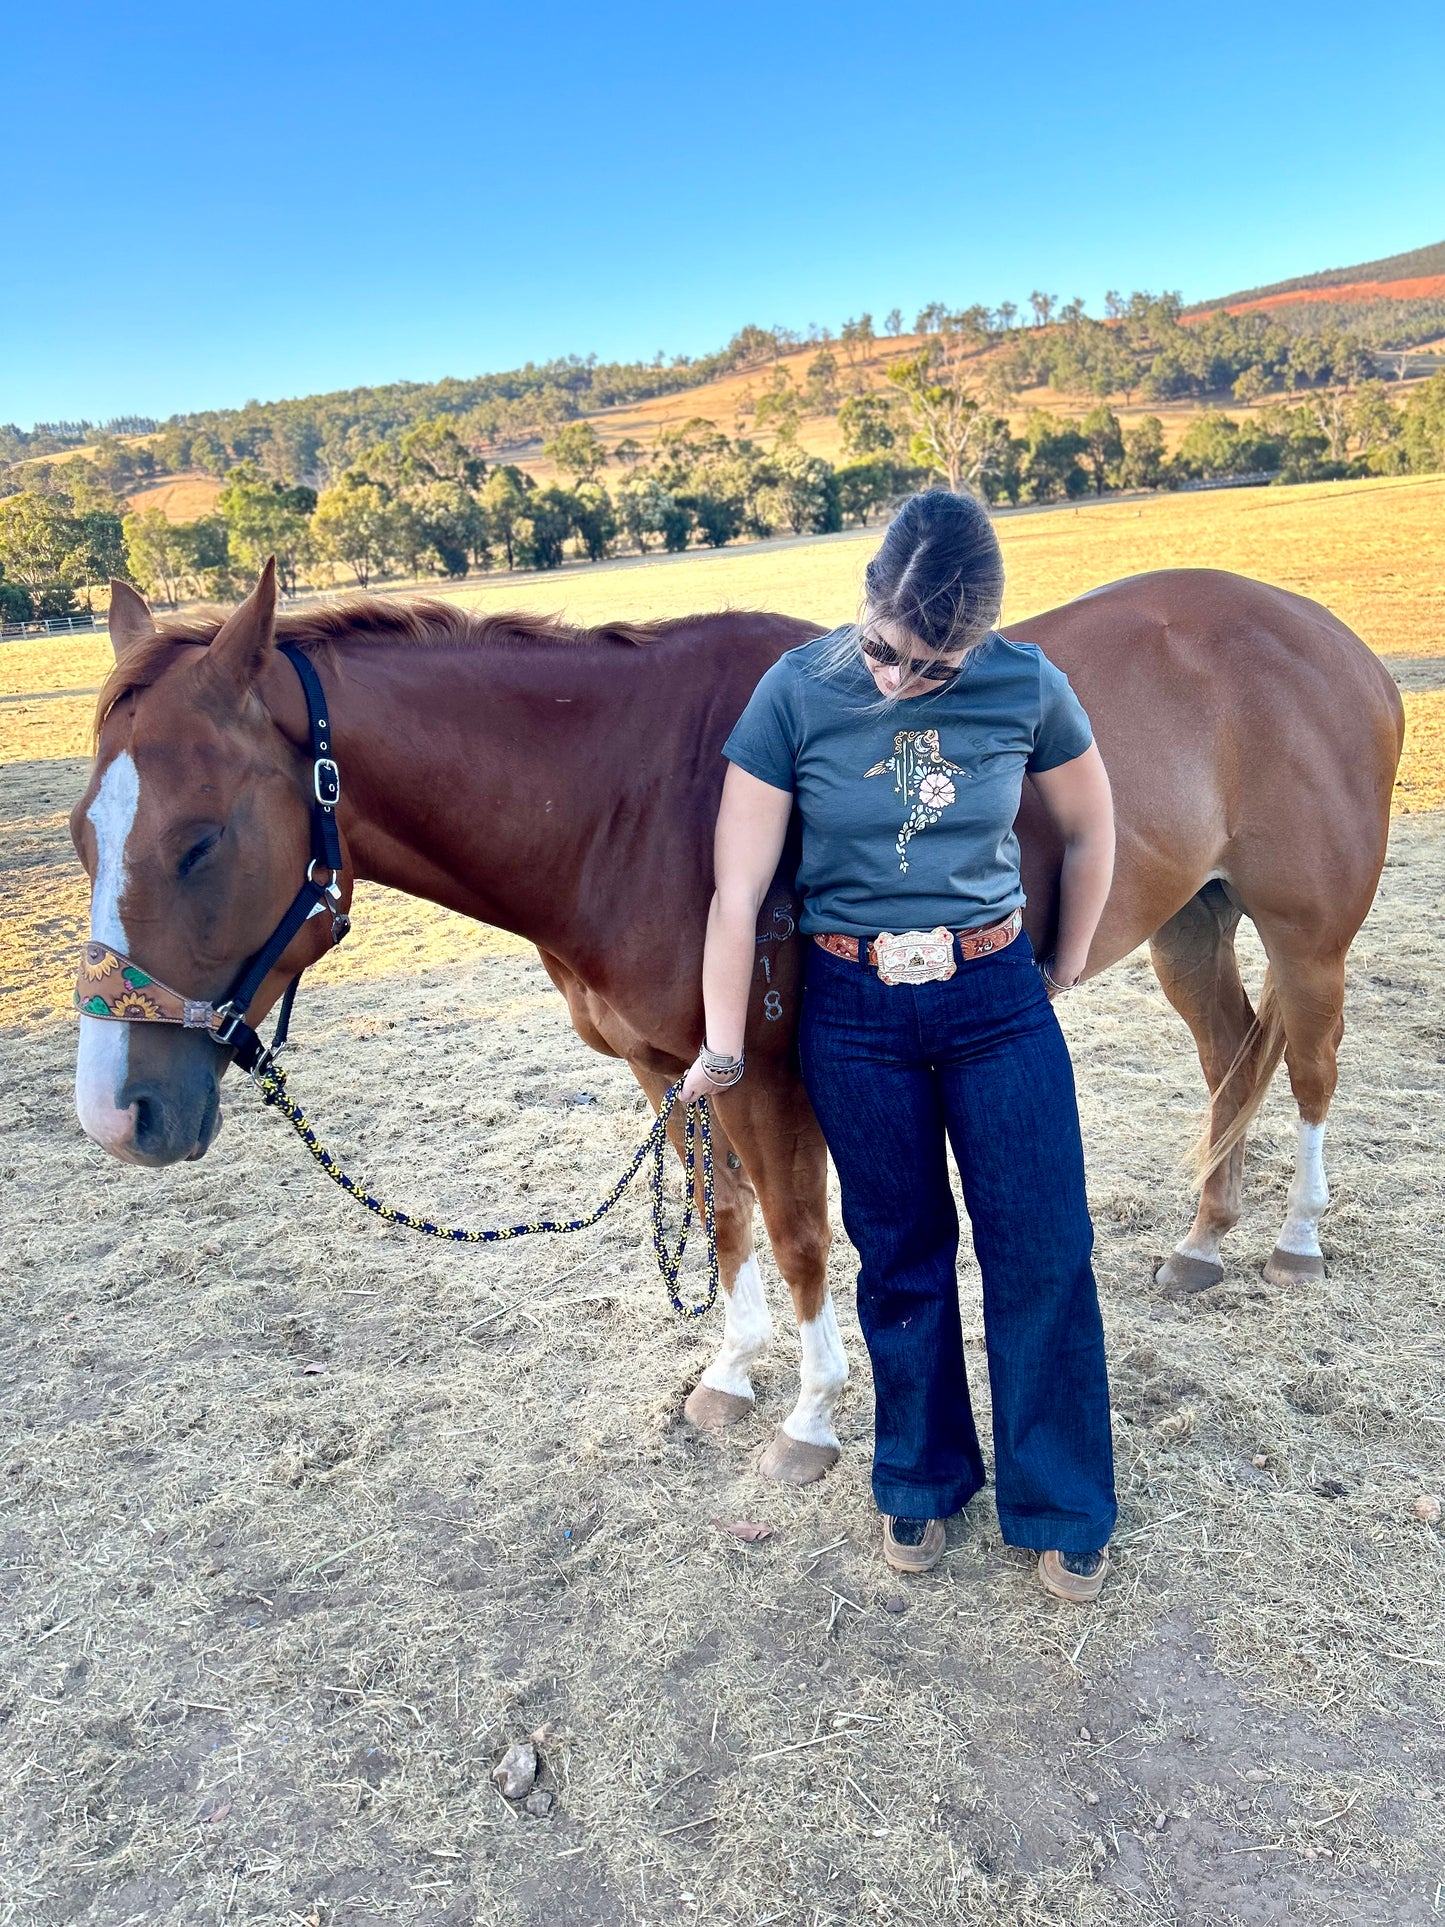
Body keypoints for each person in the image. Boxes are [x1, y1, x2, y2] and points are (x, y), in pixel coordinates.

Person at [679, 489, 1118, 1604]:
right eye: (884, 650)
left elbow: (1088, 822)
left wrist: (1058, 963)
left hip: (992, 999)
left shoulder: (1026, 682)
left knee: (1040, 1247)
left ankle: (1059, 1498)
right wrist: (721, 1048)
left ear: (976, 637)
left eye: (933, 666)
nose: (896, 679)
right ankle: (918, 1478)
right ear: (866, 600)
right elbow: (736, 895)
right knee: (901, 1252)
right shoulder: (792, 693)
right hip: (855, 1011)